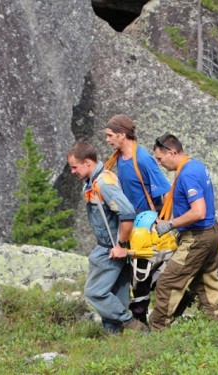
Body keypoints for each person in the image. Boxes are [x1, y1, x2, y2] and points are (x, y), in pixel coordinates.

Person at [67, 140, 148, 333]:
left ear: (87, 162)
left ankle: (132, 324)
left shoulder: (104, 183)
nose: (72, 172)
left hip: (111, 248)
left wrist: (120, 245)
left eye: (74, 167)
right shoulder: (93, 182)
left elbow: (128, 213)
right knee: (117, 295)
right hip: (112, 248)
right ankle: (114, 340)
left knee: (94, 292)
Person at [148, 133, 218, 331]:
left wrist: (171, 224)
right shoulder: (196, 165)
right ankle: (216, 321)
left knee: (167, 282)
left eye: (160, 158)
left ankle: (158, 328)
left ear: (171, 152)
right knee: (204, 279)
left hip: (197, 236)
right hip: (211, 232)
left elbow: (198, 211)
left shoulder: (187, 174)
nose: (160, 163)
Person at [104, 114, 171, 324]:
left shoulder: (142, 159)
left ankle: (147, 318)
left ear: (123, 135)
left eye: (110, 135)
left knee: (144, 274)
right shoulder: (118, 158)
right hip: (132, 226)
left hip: (147, 227)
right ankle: (141, 319)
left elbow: (167, 193)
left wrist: (166, 222)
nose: (107, 140)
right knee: (138, 275)